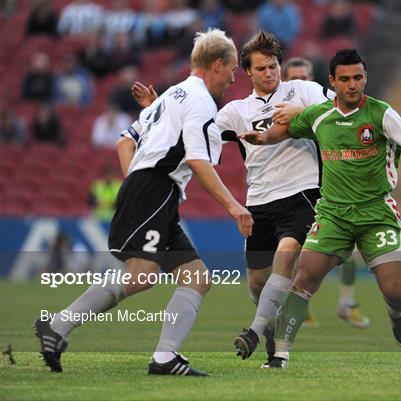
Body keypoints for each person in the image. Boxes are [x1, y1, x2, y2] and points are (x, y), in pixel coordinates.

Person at [34, 28, 253, 377]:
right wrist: (234, 206)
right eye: (232, 69)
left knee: (196, 277)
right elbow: (197, 160)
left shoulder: (167, 98)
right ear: (216, 64)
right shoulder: (199, 101)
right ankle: (58, 325)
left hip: (153, 191)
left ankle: (165, 358)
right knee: (141, 276)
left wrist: (135, 180)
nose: (233, 77)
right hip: (155, 190)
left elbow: (125, 142)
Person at [240, 49, 401, 368]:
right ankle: (280, 355)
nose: (352, 85)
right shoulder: (319, 115)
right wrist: (262, 139)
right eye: (344, 79)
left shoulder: (380, 114)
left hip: (376, 214)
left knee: (396, 290)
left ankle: (399, 315)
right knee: (303, 278)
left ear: (365, 78)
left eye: (358, 77)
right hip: (333, 215)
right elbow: (287, 128)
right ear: (332, 81)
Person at [131, 32, 341, 364]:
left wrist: (302, 111)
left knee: (285, 259)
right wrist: (155, 109)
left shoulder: (303, 90)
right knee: (258, 283)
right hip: (259, 201)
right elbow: (195, 129)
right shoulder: (236, 111)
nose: (269, 73)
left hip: (302, 194)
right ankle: (270, 328)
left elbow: (343, 108)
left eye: (273, 66)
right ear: (247, 72)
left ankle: (257, 335)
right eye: (261, 69)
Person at [282, 57, 370, 329]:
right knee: (296, 251)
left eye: (306, 78)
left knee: (351, 251)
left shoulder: (327, 113)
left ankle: (345, 303)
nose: (302, 83)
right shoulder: (284, 114)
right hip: (298, 190)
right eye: (296, 79)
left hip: (333, 188)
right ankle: (297, 304)